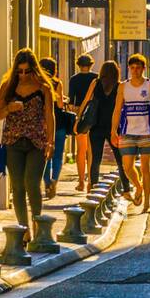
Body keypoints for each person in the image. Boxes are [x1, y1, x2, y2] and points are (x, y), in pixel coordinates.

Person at [0, 49, 55, 239]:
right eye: (19, 71)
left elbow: (49, 115)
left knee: (32, 182)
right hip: (13, 141)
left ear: (33, 70)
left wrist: (51, 141)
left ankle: (39, 227)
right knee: (18, 186)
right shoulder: (7, 86)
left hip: (36, 140)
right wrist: (10, 108)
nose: (22, 75)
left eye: (27, 71)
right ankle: (24, 230)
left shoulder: (43, 88)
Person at [111, 52, 150, 212]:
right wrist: (113, 130)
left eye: (138, 68)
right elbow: (117, 109)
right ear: (129, 68)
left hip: (146, 132)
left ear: (144, 68)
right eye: (132, 68)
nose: (135, 71)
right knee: (127, 166)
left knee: (145, 168)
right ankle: (138, 186)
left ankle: (147, 203)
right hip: (127, 131)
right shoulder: (123, 86)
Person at [77, 59, 127, 192]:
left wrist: (78, 119)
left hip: (96, 127)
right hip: (114, 128)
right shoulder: (119, 86)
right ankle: (126, 187)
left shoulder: (96, 83)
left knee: (95, 159)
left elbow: (86, 101)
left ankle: (93, 186)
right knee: (120, 159)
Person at [41, 56, 71, 198]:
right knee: (58, 155)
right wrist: (64, 99)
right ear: (54, 70)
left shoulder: (39, 83)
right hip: (58, 122)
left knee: (46, 156)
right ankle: (54, 181)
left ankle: (47, 181)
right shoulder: (57, 83)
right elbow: (59, 104)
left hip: (43, 123)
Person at [68, 53, 97, 192]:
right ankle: (91, 180)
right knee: (91, 150)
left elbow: (72, 102)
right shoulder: (96, 78)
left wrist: (77, 111)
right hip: (94, 115)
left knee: (81, 150)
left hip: (81, 115)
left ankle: (81, 181)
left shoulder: (73, 79)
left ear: (78, 65)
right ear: (91, 64)